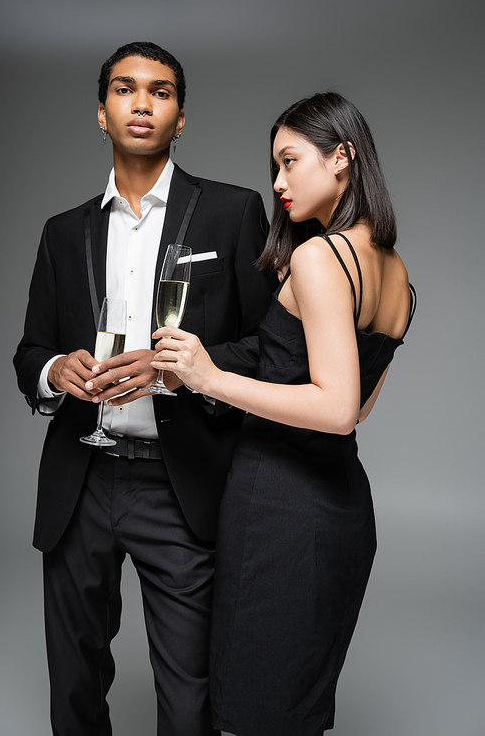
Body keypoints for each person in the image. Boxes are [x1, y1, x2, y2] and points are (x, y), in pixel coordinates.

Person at [13, 41, 275, 736]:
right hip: (81, 478)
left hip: (181, 481)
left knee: (190, 701)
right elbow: (29, 350)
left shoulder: (232, 212)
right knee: (73, 689)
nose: (141, 103)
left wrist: (187, 369)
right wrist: (53, 372)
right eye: (125, 90)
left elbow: (273, 350)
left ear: (180, 117)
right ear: (102, 112)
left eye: (159, 92)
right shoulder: (62, 233)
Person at [151, 92, 416, 735]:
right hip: (343, 513)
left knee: (250, 712)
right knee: (295, 712)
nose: (277, 182)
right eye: (275, 165)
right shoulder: (399, 277)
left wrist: (209, 377)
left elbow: (337, 408)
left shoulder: (320, 257)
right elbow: (359, 399)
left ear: (342, 158)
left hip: (279, 514)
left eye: (290, 161)